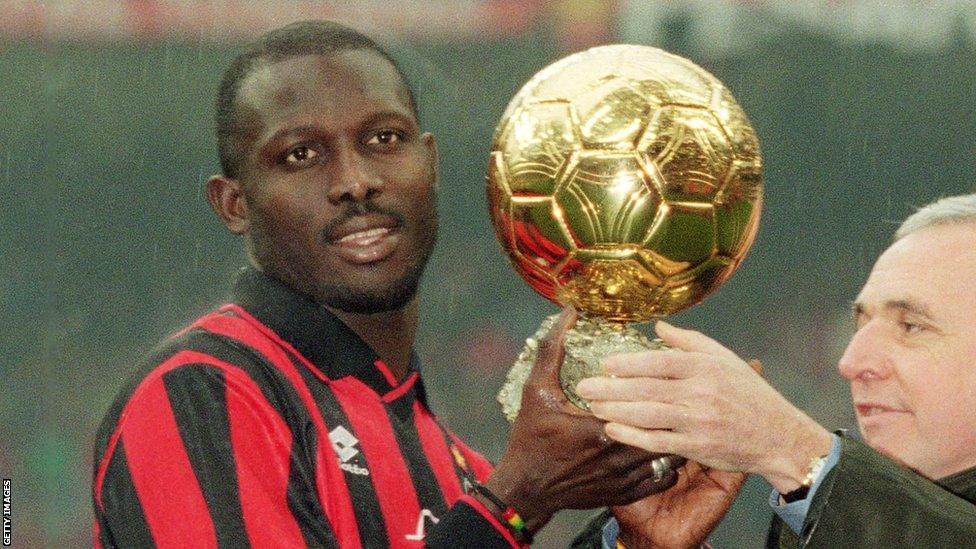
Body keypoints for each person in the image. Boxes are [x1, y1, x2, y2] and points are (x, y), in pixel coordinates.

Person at [90, 20, 680, 548]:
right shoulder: (200, 397)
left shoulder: (454, 467)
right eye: (300, 155)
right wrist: (515, 504)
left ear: (432, 164)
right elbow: (500, 519)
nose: (355, 181)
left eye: (383, 139)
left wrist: (638, 543)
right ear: (234, 203)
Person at [575, 193, 976, 547]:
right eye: (860, 323)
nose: (851, 363)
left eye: (911, 326)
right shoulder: (824, 516)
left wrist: (795, 453)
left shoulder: (822, 496)